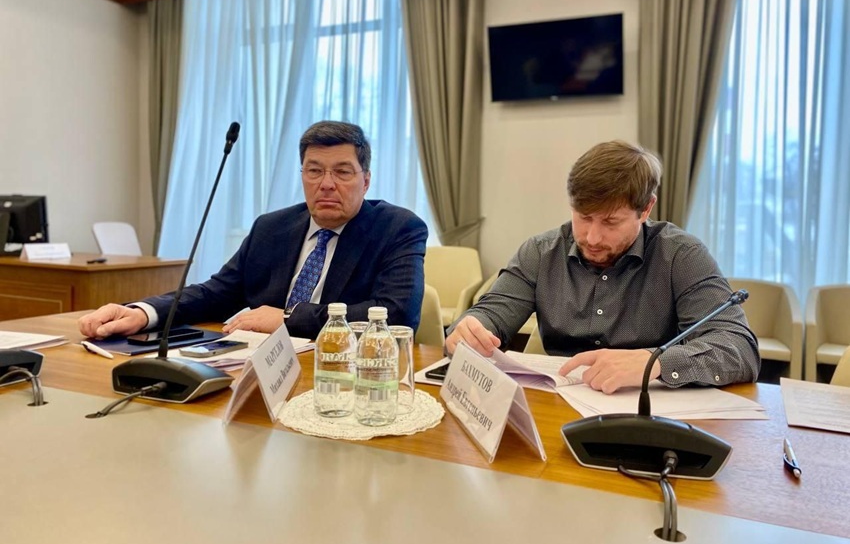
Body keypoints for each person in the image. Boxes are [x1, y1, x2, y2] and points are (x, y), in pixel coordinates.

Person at [446, 141, 759, 394]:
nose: (592, 238)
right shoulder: (541, 252)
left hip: (647, 413)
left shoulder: (681, 256)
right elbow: (492, 312)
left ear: (646, 209)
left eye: (610, 222)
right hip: (558, 406)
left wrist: (654, 362)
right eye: (583, 217)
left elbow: (739, 348)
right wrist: (471, 329)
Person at [79, 121, 428, 340]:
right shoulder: (271, 228)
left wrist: (288, 319)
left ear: (365, 181)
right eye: (314, 171)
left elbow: (396, 314)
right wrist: (143, 312)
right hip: (263, 366)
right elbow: (216, 293)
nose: (326, 184)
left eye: (342, 172)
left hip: (346, 373)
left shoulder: (398, 228)